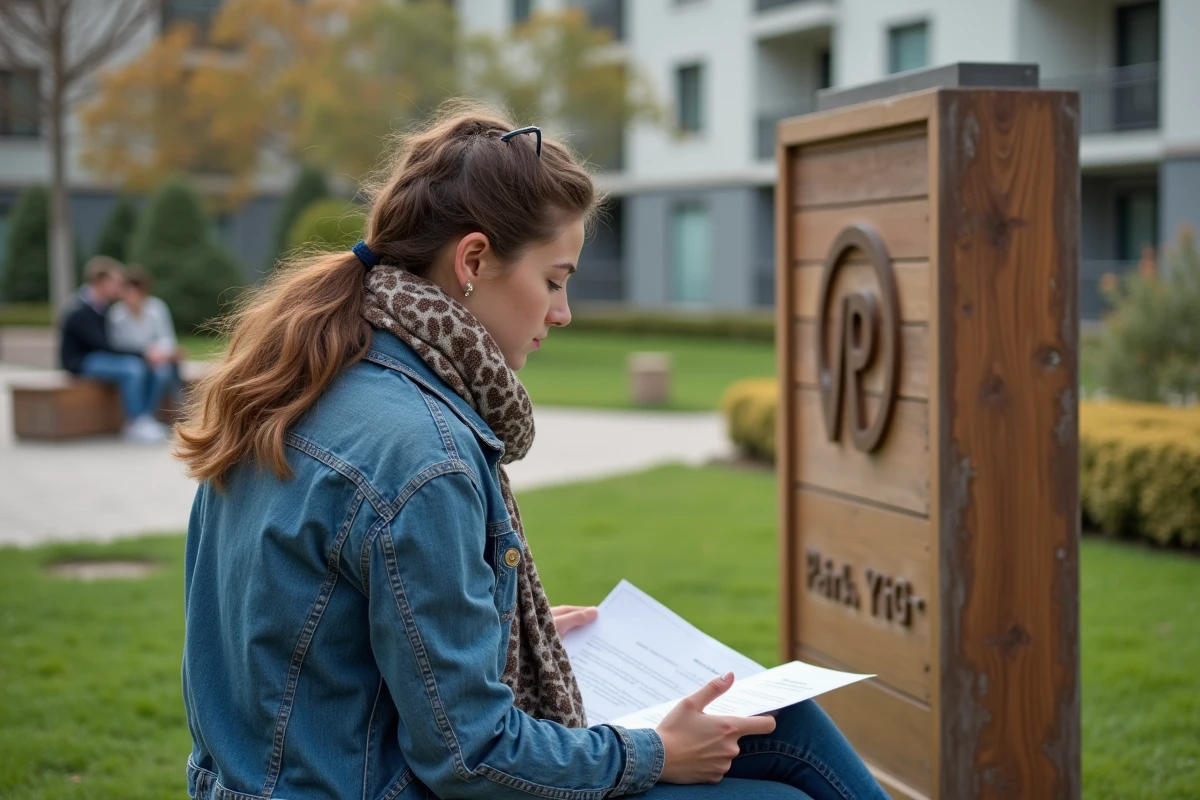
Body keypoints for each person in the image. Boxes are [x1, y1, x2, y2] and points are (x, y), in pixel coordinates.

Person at [174, 103, 888, 800]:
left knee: (782, 720)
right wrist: (651, 755)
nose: (562, 313)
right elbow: (471, 758)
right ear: (475, 260)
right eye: (554, 280)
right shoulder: (426, 456)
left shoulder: (291, 382)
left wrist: (496, 621)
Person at [60, 256, 171, 443]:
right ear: (101, 282)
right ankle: (135, 422)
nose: (120, 287)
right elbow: (104, 346)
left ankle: (145, 418)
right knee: (132, 369)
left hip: (97, 356)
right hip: (81, 362)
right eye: (116, 282)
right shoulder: (80, 308)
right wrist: (142, 353)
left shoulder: (102, 307)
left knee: (146, 368)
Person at [108, 266, 184, 407]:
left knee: (163, 372)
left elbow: (167, 337)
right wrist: (146, 354)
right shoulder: (116, 314)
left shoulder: (157, 308)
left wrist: (159, 353)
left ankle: (165, 410)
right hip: (134, 358)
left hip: (158, 358)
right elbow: (118, 344)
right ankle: (145, 416)